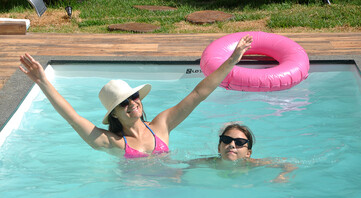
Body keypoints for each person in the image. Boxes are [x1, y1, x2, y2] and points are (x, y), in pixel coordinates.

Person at [19, 35, 253, 159]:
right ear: (115, 114)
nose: (133, 103)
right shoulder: (114, 143)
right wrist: (42, 82)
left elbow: (198, 93)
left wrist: (232, 60)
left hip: (170, 189)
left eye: (134, 97)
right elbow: (72, 117)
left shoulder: (161, 126)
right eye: (124, 103)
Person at [196, 123, 298, 183]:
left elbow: (290, 164)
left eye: (239, 142)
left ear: (248, 153)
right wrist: (179, 175)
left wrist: (282, 176)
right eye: (226, 140)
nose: (232, 144)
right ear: (219, 148)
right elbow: (181, 165)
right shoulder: (210, 162)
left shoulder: (252, 163)